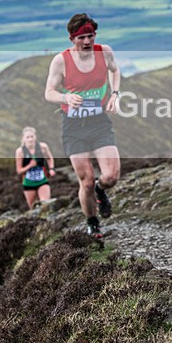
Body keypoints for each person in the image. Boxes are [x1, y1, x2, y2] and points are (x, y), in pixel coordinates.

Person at [44, 13, 121, 239]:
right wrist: (65, 98)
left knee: (112, 176)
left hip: (99, 123)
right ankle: (92, 221)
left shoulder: (104, 52)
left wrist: (114, 95)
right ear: (71, 39)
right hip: (73, 127)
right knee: (85, 181)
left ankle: (101, 190)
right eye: (81, 38)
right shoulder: (61, 61)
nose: (87, 41)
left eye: (90, 36)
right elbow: (48, 92)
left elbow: (115, 71)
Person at [15, 127, 56, 210]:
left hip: (42, 180)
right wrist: (30, 166)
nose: (30, 139)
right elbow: (19, 171)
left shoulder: (43, 147)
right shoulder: (20, 151)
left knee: (45, 205)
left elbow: (49, 158)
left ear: (35, 137)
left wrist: (51, 168)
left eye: (32, 136)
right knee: (33, 209)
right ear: (23, 139)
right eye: (27, 137)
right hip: (28, 183)